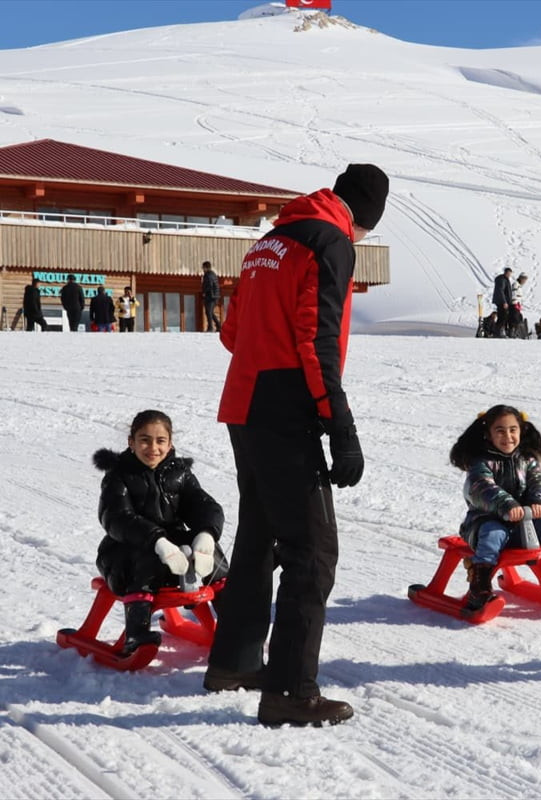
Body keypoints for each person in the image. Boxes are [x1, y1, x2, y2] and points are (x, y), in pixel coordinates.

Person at [208, 162, 389, 728]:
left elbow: (232, 333)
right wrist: (340, 423)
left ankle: (235, 663)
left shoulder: (270, 240)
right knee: (312, 553)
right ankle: (288, 690)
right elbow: (318, 336)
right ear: (366, 214)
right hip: (286, 404)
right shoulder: (330, 242)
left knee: (260, 538)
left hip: (244, 402)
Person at [93, 410, 228, 656]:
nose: (152, 448)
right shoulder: (119, 477)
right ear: (131, 442)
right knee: (147, 559)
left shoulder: (179, 472)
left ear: (170, 442)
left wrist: (205, 535)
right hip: (123, 555)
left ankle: (235, 623)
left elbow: (203, 504)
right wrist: (158, 541)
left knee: (214, 553)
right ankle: (137, 633)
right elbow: (116, 518)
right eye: (144, 440)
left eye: (160, 440)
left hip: (175, 554)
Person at [449, 404, 541, 615]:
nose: (507, 436)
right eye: (500, 431)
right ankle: (479, 588)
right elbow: (481, 488)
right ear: (488, 434)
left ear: (521, 431)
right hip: (484, 523)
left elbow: (539, 482)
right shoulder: (480, 463)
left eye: (512, 430)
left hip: (524, 525)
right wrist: (507, 505)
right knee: (493, 534)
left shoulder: (527, 460)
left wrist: (538, 501)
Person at [491, 268, 514, 338]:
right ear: (506, 272)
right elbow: (500, 291)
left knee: (503, 316)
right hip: (502, 302)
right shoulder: (502, 279)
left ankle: (499, 331)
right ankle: (498, 332)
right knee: (502, 316)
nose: (510, 275)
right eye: (509, 273)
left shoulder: (505, 279)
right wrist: (504, 302)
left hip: (503, 301)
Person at [202, 261, 221, 333]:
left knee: (209, 312)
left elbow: (209, 285)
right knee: (210, 312)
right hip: (214, 296)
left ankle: (210, 327)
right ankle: (219, 326)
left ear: (206, 267)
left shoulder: (208, 275)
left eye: (203, 267)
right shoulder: (212, 274)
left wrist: (204, 292)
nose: (203, 269)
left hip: (211, 296)